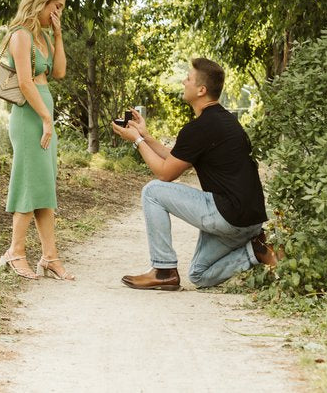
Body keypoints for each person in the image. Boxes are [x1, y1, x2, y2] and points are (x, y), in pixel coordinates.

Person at [112, 58, 277, 290]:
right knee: (200, 275)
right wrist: (145, 136)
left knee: (153, 191)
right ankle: (258, 250)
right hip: (250, 221)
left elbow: (164, 174)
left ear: (201, 90)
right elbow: (175, 158)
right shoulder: (226, 120)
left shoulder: (200, 128)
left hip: (229, 215)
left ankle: (163, 270)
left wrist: (137, 141)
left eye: (188, 78)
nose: (183, 81)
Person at [0, 0, 74, 281]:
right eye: (56, 7)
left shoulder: (41, 35)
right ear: (42, 2)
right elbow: (26, 83)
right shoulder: (20, 35)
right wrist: (44, 119)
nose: (58, 12)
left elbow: (59, 71)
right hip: (30, 115)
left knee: (44, 186)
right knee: (29, 182)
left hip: (43, 111)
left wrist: (57, 33)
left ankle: (50, 257)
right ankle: (15, 253)